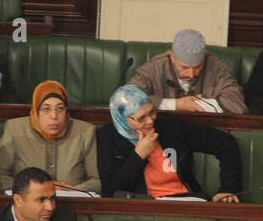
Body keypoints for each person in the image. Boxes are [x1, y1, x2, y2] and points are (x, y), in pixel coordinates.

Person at [97, 85, 241, 200]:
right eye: (141, 118)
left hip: (185, 200)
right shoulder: (107, 137)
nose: (150, 120)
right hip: (140, 207)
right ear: (123, 120)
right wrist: (138, 156)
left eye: (152, 112)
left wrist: (228, 188)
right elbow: (110, 191)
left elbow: (225, 142)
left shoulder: (170, 125)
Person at [0, 80, 101, 193]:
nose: (54, 116)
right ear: (35, 110)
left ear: (67, 111)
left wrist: (73, 190)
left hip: (74, 202)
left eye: (60, 108)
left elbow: (98, 180)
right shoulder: (15, 129)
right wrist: (32, 189)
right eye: (46, 109)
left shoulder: (85, 132)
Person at [130, 29, 247, 114]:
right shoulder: (152, 69)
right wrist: (176, 105)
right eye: (184, 67)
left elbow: (237, 105)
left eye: (197, 67)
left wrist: (201, 104)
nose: (191, 74)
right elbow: (128, 99)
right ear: (172, 57)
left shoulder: (218, 68)